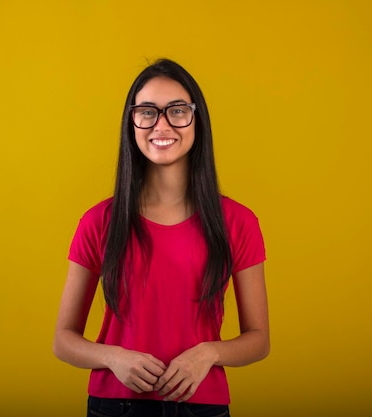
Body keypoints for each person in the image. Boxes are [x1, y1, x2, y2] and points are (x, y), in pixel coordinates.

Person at [53, 58, 269, 417]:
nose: (162, 124)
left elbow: (259, 340)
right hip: (113, 405)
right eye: (148, 112)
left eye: (177, 110)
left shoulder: (237, 222)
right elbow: (63, 340)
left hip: (202, 405)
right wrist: (112, 357)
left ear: (197, 120)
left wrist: (209, 352)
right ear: (132, 122)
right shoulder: (99, 221)